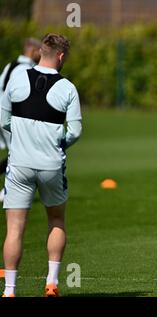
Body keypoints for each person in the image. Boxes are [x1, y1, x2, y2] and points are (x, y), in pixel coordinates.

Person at [1, 33, 82, 297]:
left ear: (40, 53)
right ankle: (52, 283)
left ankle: (10, 290)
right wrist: (59, 144)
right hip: (50, 166)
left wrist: (21, 139)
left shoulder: (16, 78)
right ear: (60, 56)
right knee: (56, 219)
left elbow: (3, 120)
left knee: (14, 228)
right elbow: (76, 131)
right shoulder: (68, 88)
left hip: (19, 164)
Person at [0, 38, 41, 202]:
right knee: (18, 154)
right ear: (33, 50)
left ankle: (9, 190)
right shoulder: (25, 69)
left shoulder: (11, 65)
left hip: (3, 112)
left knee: (14, 153)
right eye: (40, 50)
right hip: (9, 115)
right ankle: (7, 192)